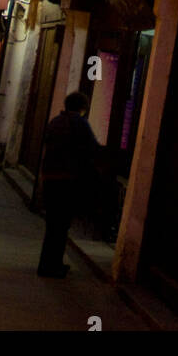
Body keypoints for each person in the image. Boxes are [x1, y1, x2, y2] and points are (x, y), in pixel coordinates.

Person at [37, 91, 105, 278]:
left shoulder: (55, 122)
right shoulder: (80, 123)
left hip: (50, 177)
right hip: (66, 180)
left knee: (52, 224)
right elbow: (92, 149)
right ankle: (53, 265)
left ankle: (46, 263)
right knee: (61, 225)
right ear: (82, 107)